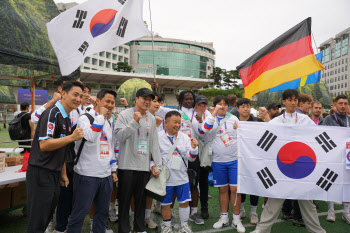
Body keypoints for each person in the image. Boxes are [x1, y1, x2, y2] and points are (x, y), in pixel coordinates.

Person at [252, 89, 325, 233]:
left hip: (301, 167)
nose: (293, 102)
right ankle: (261, 230)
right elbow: (262, 136)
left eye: (295, 99)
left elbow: (317, 136)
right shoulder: (276, 121)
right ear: (284, 102)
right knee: (274, 200)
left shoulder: (305, 120)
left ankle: (317, 231)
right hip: (282, 167)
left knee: (307, 202)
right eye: (290, 100)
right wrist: (240, 128)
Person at [26, 81, 84, 233]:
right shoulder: (52, 112)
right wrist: (71, 138)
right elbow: (44, 145)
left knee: (46, 216)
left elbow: (61, 148)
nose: (78, 99)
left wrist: (63, 173)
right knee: (37, 220)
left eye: (81, 96)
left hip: (54, 173)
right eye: (75, 94)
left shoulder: (66, 116)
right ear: (63, 93)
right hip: (41, 172)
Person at [67, 89, 118, 233]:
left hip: (105, 175)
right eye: (107, 101)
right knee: (79, 213)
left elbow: (110, 147)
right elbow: (89, 136)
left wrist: (113, 169)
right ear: (98, 101)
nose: (110, 105)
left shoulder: (108, 122)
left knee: (102, 214)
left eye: (112, 102)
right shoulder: (85, 118)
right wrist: (101, 117)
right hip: (86, 174)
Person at [116, 88, 162, 233]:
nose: (147, 102)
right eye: (144, 98)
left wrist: (157, 165)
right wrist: (134, 122)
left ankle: (139, 228)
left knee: (141, 201)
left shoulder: (152, 118)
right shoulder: (124, 115)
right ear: (136, 99)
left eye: (150, 99)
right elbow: (120, 137)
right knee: (124, 201)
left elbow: (154, 143)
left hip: (143, 166)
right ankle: (124, 229)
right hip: (127, 165)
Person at [200, 95, 245, 232]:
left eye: (225, 104)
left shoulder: (234, 119)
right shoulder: (210, 118)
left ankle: (236, 219)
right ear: (214, 106)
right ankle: (224, 217)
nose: (223, 106)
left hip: (234, 160)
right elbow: (204, 130)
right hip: (218, 161)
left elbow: (242, 136)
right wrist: (213, 113)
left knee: (235, 190)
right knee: (222, 189)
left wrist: (239, 129)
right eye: (219, 104)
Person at [159, 110, 199, 233]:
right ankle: (166, 226)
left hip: (182, 177)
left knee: (184, 202)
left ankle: (184, 225)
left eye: (179, 122)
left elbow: (191, 157)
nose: (177, 125)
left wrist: (194, 148)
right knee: (166, 203)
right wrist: (153, 167)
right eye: (174, 122)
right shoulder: (158, 136)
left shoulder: (184, 137)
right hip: (165, 178)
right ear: (166, 123)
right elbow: (153, 156)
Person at [320, 94, 350, 224]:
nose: (343, 106)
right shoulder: (328, 119)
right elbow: (321, 136)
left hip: (347, 157)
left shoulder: (349, 119)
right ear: (335, 105)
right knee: (331, 181)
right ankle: (331, 210)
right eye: (340, 103)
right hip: (332, 156)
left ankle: (346, 212)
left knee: (348, 184)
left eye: (345, 103)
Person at [177, 90, 204, 225]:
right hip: (178, 153)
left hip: (193, 151)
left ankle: (194, 212)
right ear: (181, 100)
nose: (189, 101)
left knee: (194, 182)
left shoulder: (198, 113)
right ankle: (166, 210)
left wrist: (201, 121)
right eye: (186, 99)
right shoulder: (176, 114)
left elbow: (203, 132)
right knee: (173, 182)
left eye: (191, 99)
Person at [236, 98, 263, 225]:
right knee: (240, 186)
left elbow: (271, 129)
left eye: (247, 106)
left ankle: (253, 212)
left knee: (253, 186)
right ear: (238, 109)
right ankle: (241, 210)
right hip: (239, 159)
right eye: (242, 106)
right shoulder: (234, 122)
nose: (245, 108)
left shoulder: (257, 121)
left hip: (254, 159)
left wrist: (267, 115)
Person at [193, 95, 212, 219]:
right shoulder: (189, 114)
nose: (202, 107)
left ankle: (204, 207)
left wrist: (201, 121)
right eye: (200, 104)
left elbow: (204, 132)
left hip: (205, 150)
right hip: (193, 148)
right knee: (192, 181)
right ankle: (192, 209)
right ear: (195, 105)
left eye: (204, 104)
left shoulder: (209, 115)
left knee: (204, 181)